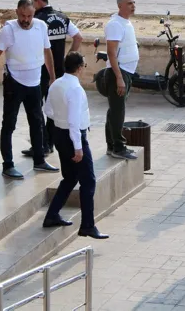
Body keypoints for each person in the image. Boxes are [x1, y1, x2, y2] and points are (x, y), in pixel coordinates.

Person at [0, 0, 60, 179]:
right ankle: (8, 165)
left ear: (34, 13)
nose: (26, 20)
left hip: (35, 82)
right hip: (14, 83)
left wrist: (52, 77)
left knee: (37, 122)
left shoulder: (41, 26)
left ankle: (39, 160)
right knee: (9, 124)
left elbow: (47, 51)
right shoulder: (8, 30)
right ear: (17, 12)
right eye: (23, 16)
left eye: (29, 16)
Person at [42, 52, 109, 240]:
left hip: (59, 134)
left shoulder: (56, 84)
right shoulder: (75, 89)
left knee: (70, 177)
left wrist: (60, 119)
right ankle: (87, 225)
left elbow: (48, 110)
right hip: (74, 137)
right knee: (88, 181)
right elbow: (73, 121)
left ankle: (52, 215)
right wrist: (78, 147)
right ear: (79, 68)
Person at [21, 0, 82, 158]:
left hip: (40, 72)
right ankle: (49, 144)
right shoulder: (62, 18)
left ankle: (41, 144)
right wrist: (67, 58)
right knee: (52, 108)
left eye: (31, 1)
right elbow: (78, 38)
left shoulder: (38, 20)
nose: (30, 6)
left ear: (39, 1)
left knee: (36, 109)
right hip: (59, 71)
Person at [104, 0, 140, 161]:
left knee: (114, 111)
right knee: (118, 111)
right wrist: (119, 77)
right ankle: (118, 146)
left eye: (133, 2)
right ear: (120, 6)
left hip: (127, 72)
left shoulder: (125, 23)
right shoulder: (115, 24)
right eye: (129, 3)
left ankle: (112, 145)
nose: (133, 6)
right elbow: (111, 53)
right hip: (119, 72)